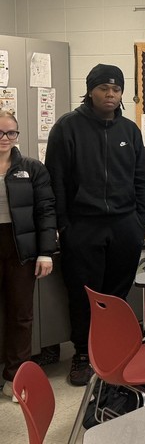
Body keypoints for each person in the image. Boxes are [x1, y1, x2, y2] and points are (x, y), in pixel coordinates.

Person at [45, 64, 145, 387]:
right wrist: (65, 225)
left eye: (116, 90)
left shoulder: (130, 130)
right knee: (83, 295)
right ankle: (82, 355)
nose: (110, 95)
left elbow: (141, 179)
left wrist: (137, 220)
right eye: (104, 88)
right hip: (83, 226)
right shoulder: (67, 128)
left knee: (116, 295)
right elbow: (56, 182)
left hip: (124, 226)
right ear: (90, 91)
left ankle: (111, 350)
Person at [0, 111, 57, 401]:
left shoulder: (32, 168)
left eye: (11, 133)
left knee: (21, 315)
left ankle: (15, 377)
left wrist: (46, 252)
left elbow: (46, 211)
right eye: (0, 133)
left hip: (20, 247)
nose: (5, 139)